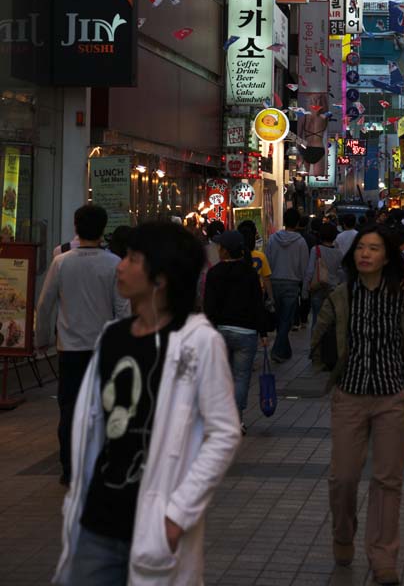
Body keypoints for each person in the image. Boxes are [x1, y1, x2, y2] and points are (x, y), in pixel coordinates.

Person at [54, 220, 241, 586]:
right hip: (97, 518)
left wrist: (178, 514)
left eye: (133, 259)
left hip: (156, 520)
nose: (120, 266)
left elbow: (225, 433)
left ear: (161, 278)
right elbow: (93, 426)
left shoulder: (199, 342)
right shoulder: (111, 336)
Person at [310, 225, 404, 585]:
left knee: (387, 480)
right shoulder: (341, 295)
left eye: (374, 248)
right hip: (349, 395)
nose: (365, 254)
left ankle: (383, 558)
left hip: (391, 396)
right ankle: (342, 534)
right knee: (343, 477)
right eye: (361, 248)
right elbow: (318, 341)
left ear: (387, 257)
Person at [35, 204, 129, 487]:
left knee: (70, 408)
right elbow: (123, 309)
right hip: (105, 349)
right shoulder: (113, 263)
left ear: (76, 227)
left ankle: (70, 467)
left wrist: (42, 340)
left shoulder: (61, 262)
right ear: (103, 229)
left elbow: (44, 305)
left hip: (70, 350)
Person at [203, 230, 269, 434]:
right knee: (241, 378)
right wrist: (263, 333)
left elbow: (209, 306)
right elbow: (258, 303)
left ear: (223, 250)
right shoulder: (249, 273)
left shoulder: (214, 273)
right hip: (246, 332)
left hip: (221, 330)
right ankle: (236, 421)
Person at [265, 207, 309, 362]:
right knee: (286, 320)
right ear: (297, 223)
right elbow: (304, 267)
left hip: (275, 282)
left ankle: (284, 351)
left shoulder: (272, 239)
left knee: (280, 319)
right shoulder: (301, 242)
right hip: (292, 283)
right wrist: (304, 286)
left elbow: (268, 261)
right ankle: (277, 350)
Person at [302, 222, 344, 328]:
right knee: (330, 323)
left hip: (318, 289)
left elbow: (310, 271)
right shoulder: (339, 253)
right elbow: (341, 273)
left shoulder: (315, 250)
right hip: (333, 290)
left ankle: (314, 344)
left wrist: (305, 291)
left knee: (316, 320)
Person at [236, 219, 274, 303]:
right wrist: (271, 298)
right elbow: (266, 279)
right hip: (258, 293)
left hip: (239, 294)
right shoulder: (261, 256)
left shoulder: (235, 256)